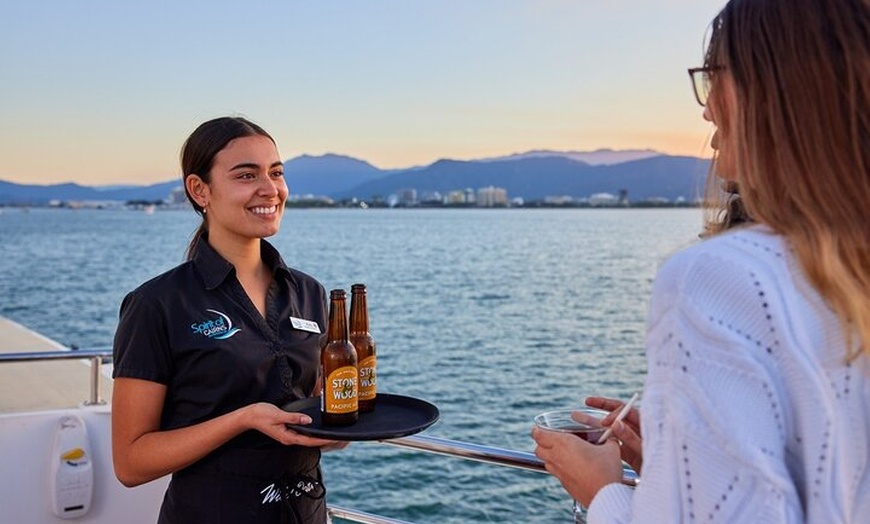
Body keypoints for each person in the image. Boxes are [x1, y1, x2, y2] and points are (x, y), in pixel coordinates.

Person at [533, 0, 870, 522]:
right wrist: (680, 461)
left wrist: (600, 490)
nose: (707, 109)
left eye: (715, 79)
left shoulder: (720, 279)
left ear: (775, 90)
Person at [112, 116, 343, 523]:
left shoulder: (309, 293)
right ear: (200, 190)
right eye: (246, 175)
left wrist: (340, 421)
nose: (269, 189)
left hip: (305, 513)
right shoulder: (158, 304)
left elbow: (319, 418)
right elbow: (131, 462)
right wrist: (243, 419)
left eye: (276, 173)